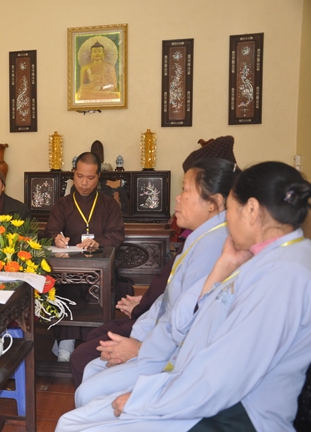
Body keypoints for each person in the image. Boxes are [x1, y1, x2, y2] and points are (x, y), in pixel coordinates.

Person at [56, 161, 311, 432]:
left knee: (74, 424)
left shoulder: (283, 275)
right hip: (199, 387)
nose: (226, 221)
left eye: (230, 210)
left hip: (236, 414)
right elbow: (197, 322)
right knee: (75, 419)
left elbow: (223, 375)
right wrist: (223, 267)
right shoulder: (275, 259)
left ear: (251, 210)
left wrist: (144, 400)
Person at [70, 158, 239, 389]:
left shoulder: (213, 245)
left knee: (89, 380)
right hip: (155, 334)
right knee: (90, 363)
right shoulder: (203, 237)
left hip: (169, 354)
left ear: (214, 202)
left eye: (185, 189)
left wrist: (140, 347)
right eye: (80, 176)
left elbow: (186, 320)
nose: (177, 198)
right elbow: (170, 301)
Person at [44, 152, 125, 361]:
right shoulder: (62, 204)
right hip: (68, 271)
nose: (84, 183)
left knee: (101, 292)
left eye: (90, 178)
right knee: (64, 291)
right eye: (80, 176)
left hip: (101, 271)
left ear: (99, 177)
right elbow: (50, 232)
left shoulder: (109, 205)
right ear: (73, 174)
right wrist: (56, 239)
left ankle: (93, 346)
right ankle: (66, 343)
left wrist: (98, 242)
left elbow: (117, 234)